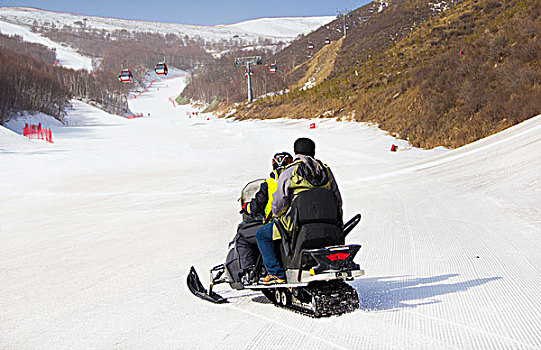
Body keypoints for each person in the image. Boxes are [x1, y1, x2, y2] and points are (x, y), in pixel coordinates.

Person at [256, 137, 342, 284]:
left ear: (295, 152)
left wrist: (277, 215)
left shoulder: (289, 172)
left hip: (296, 224)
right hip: (328, 223)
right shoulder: (326, 171)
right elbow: (337, 198)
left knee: (262, 234)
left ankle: (276, 273)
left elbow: (279, 202)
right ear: (314, 152)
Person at [237, 152, 293, 284]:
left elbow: (257, 205)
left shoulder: (269, 183)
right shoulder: (297, 179)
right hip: (296, 222)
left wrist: (247, 208)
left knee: (243, 236)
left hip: (278, 224)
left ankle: (250, 272)